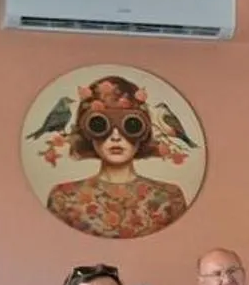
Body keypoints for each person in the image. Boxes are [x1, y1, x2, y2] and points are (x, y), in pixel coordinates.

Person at [42, 76, 192, 241]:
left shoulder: (169, 198)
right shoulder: (63, 198)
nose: (116, 136)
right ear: (86, 132)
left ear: (144, 131)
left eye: (131, 126)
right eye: (99, 125)